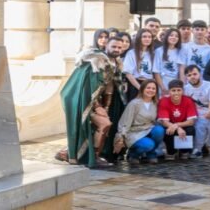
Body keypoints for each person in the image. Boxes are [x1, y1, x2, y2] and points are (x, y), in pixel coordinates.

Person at [60, 36, 126, 167]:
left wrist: (106, 106)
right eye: (113, 46)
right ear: (106, 46)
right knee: (104, 124)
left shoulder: (116, 64)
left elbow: (109, 87)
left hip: (97, 101)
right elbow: (89, 88)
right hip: (83, 101)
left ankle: (67, 153)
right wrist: (97, 107)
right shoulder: (96, 61)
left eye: (119, 47)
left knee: (96, 127)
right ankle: (94, 156)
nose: (117, 49)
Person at [117, 80, 164, 165]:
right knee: (149, 144)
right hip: (134, 132)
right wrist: (121, 137)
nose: (151, 90)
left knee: (159, 130)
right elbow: (125, 122)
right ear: (142, 89)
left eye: (153, 88)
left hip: (148, 129)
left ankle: (151, 154)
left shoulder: (155, 103)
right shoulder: (134, 104)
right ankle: (133, 155)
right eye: (148, 88)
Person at [184, 64, 210, 158]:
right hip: (198, 114)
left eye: (194, 74)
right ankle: (198, 149)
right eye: (189, 75)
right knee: (198, 128)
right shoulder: (186, 89)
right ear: (186, 77)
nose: (192, 77)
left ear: (200, 74)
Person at [157, 79, 197, 160]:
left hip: (184, 124)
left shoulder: (188, 100)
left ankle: (184, 151)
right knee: (167, 130)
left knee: (190, 129)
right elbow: (164, 122)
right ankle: (171, 151)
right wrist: (177, 128)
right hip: (170, 125)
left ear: (182, 91)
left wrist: (177, 125)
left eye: (179, 90)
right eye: (173, 90)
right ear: (169, 91)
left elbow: (191, 121)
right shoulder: (164, 101)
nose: (176, 93)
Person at [123, 28, 155, 101]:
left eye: (149, 37)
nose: (147, 39)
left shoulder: (153, 53)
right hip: (136, 84)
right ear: (139, 38)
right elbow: (128, 74)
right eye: (144, 36)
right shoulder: (131, 53)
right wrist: (140, 88)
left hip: (150, 85)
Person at [154, 28, 185, 97]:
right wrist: (162, 87)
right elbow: (156, 71)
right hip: (163, 81)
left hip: (175, 81)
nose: (174, 37)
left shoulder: (180, 51)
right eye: (171, 35)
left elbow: (181, 70)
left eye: (176, 36)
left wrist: (181, 85)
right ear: (167, 37)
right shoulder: (159, 51)